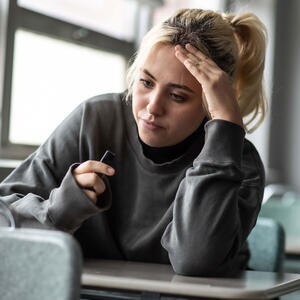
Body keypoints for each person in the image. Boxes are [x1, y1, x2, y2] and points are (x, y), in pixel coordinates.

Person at [0, 8, 267, 277]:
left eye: (177, 96)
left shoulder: (239, 160)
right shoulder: (95, 120)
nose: (152, 107)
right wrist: (60, 209)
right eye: (146, 82)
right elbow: (4, 219)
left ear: (212, 101)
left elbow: (196, 261)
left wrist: (225, 129)